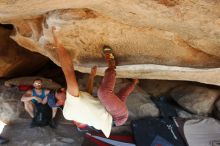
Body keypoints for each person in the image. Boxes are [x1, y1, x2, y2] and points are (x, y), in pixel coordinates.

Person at [52, 27, 138, 137]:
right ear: (59, 102)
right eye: (59, 91)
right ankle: (112, 66)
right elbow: (68, 71)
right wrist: (58, 43)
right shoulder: (70, 105)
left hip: (109, 114)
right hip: (116, 116)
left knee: (122, 95)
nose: (62, 88)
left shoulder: (73, 108)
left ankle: (134, 82)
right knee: (103, 93)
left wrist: (91, 77)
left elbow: (88, 97)